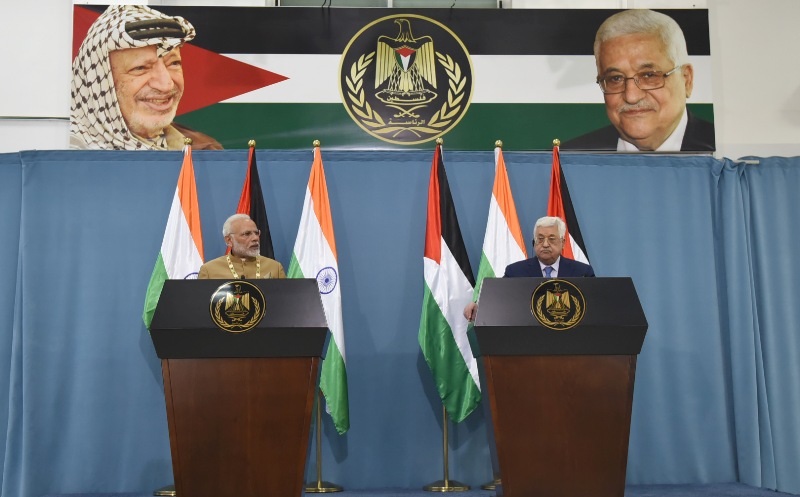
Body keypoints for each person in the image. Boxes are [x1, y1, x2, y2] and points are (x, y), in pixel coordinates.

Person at [70, 5, 223, 151]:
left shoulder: (205, 149)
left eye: (173, 63)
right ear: (99, 84)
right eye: (141, 68)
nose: (166, 85)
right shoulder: (69, 156)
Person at [562, 9, 714, 152]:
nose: (631, 96)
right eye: (616, 78)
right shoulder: (569, 159)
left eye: (648, 75)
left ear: (686, 79)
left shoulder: (722, 152)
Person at [463, 216, 594, 321]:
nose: (545, 244)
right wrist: (478, 306)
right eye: (540, 239)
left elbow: (594, 305)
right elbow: (499, 297)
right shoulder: (515, 272)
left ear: (563, 242)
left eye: (551, 239)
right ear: (534, 242)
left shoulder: (582, 272)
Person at [198, 214, 285, 280]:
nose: (255, 238)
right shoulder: (209, 270)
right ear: (229, 240)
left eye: (256, 233)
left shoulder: (275, 267)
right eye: (247, 234)